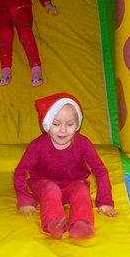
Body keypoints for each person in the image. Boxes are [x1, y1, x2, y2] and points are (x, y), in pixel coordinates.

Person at [14, 93, 118, 240]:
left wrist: (105, 202)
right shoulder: (37, 146)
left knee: (81, 191)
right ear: (47, 124)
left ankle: (81, 224)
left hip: (73, 184)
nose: (63, 130)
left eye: (69, 124)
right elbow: (21, 171)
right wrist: (25, 200)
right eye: (56, 124)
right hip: (43, 184)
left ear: (77, 125)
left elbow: (100, 171)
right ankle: (54, 223)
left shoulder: (83, 143)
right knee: (51, 189)